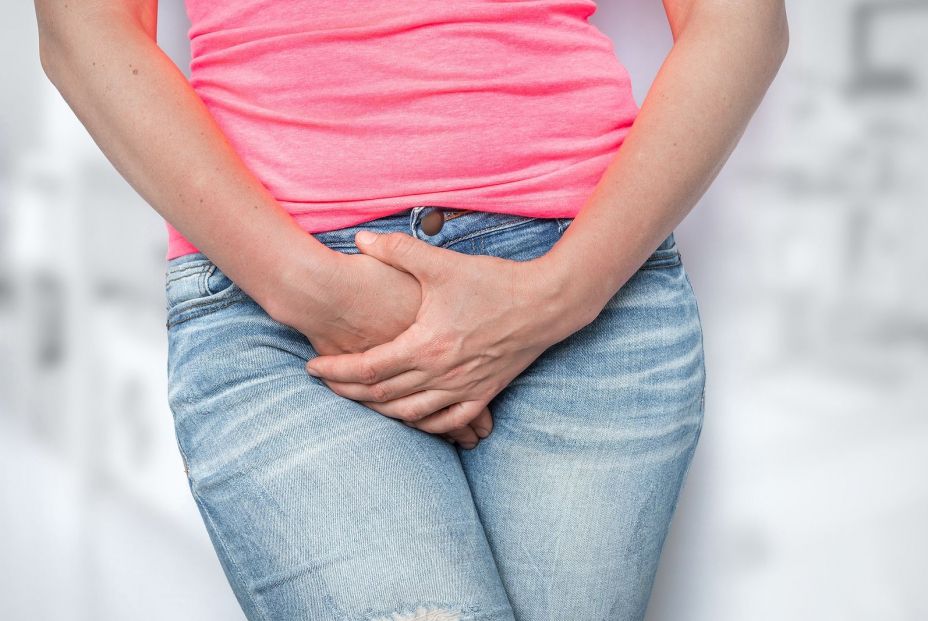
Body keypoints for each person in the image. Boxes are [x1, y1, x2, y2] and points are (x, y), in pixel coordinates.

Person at [34, 0, 788, 619]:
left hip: (587, 290)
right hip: (281, 310)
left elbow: (742, 20)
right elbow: (81, 28)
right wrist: (308, 287)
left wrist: (557, 296)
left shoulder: (573, 293)